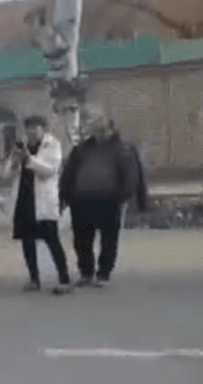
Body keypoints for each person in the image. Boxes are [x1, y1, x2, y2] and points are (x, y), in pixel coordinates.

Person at [59, 103, 148, 287]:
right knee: (82, 239)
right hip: (82, 200)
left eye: (90, 120)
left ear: (105, 123)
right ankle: (86, 272)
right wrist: (65, 194)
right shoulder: (82, 149)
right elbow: (69, 172)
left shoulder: (121, 147)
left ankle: (104, 273)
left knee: (108, 238)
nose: (86, 124)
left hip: (109, 199)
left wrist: (124, 196)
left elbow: (131, 173)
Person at [9, 115, 72, 294]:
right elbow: (7, 173)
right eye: (28, 129)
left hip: (43, 201)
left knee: (52, 240)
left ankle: (64, 279)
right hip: (24, 200)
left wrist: (29, 159)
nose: (31, 133)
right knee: (27, 242)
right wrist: (14, 159)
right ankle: (34, 279)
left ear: (43, 129)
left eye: (35, 129)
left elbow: (49, 170)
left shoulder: (52, 145)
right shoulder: (22, 148)